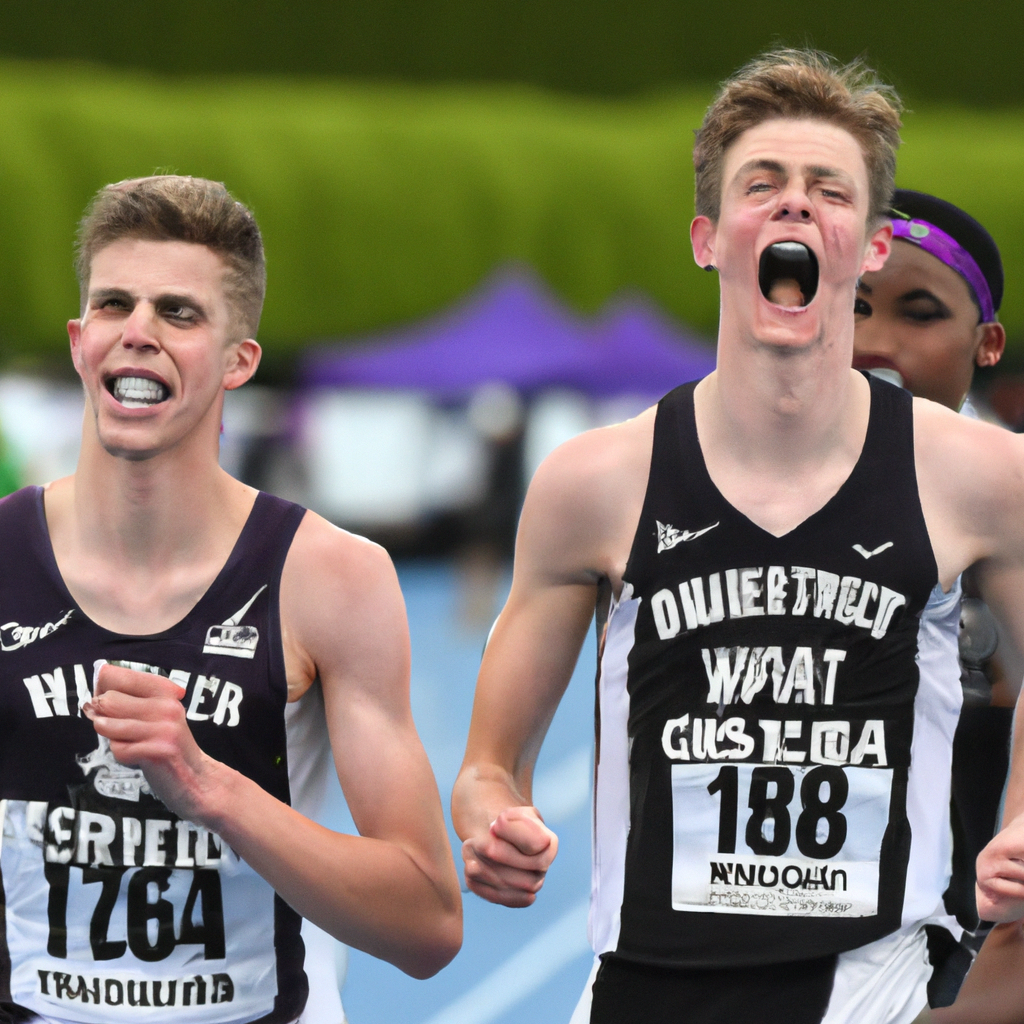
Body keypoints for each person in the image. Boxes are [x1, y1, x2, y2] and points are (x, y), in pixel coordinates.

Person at [452, 49, 1024, 1023]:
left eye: (827, 189)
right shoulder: (594, 481)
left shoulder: (977, 474)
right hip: (642, 986)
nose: (795, 206)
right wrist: (491, 818)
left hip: (870, 978)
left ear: (871, 246)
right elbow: (486, 766)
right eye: (762, 185)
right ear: (707, 239)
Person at [0, 175, 461, 1024]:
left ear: (238, 360)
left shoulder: (329, 578)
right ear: (78, 340)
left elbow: (427, 922)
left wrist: (210, 788)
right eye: (113, 306)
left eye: (179, 313)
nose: (138, 333)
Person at [852, 189, 1018, 1009]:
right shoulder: (729, 496)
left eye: (918, 315)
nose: (874, 345)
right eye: (852, 306)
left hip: (973, 925)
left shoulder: (1005, 497)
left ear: (986, 344)